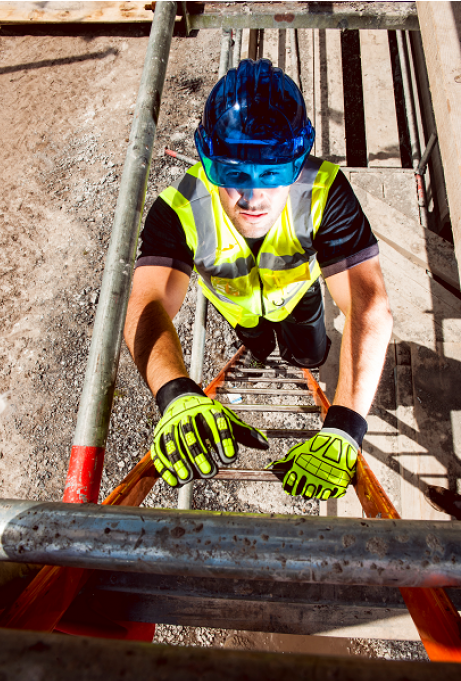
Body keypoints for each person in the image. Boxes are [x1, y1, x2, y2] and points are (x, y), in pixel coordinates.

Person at [124, 59, 393, 501]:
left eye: (271, 173)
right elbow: (145, 302)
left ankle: (300, 358)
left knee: (310, 351)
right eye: (233, 173)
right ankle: (270, 353)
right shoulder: (178, 207)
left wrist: (346, 425)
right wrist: (174, 392)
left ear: (297, 161)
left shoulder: (325, 190)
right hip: (241, 312)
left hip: (299, 301)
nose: (251, 198)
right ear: (208, 163)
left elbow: (370, 306)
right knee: (261, 346)